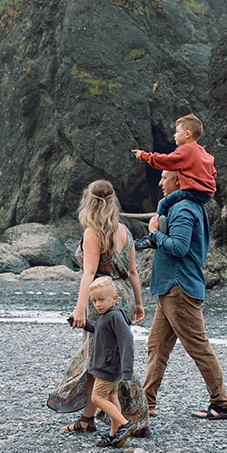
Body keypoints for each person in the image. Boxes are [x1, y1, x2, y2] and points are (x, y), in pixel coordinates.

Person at [48, 180, 150, 436]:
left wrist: (80, 308)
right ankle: (89, 418)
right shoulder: (124, 230)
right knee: (103, 357)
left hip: (101, 298)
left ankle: (132, 419)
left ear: (88, 202)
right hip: (121, 295)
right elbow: (134, 272)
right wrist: (138, 303)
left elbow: (90, 272)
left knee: (99, 358)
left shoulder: (92, 232)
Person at [139, 170, 227, 420]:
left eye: (164, 177)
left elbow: (179, 248)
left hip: (178, 288)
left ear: (179, 180)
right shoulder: (187, 206)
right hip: (171, 288)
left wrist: (155, 232)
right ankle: (146, 405)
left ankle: (221, 403)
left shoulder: (183, 209)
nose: (159, 182)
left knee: (198, 347)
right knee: (156, 347)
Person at [83, 276, 140, 448]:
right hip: (110, 365)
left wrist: (128, 369)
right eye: (94, 301)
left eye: (101, 300)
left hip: (107, 367)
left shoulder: (114, 316)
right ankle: (113, 435)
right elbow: (101, 329)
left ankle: (124, 424)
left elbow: (127, 340)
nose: (97, 304)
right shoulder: (107, 314)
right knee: (111, 396)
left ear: (114, 298)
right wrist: (85, 324)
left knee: (96, 397)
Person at [132, 113, 216, 222]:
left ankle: (157, 227)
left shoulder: (186, 150)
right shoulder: (203, 153)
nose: (174, 135)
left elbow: (166, 161)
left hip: (193, 192)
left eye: (177, 132)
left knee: (163, 203)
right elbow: (213, 172)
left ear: (187, 134)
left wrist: (145, 156)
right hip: (207, 195)